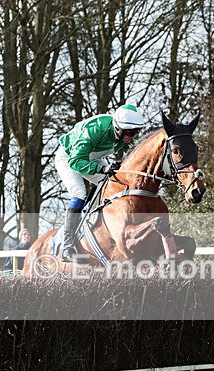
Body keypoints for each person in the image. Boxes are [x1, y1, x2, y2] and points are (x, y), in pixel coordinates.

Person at [55, 103, 146, 262]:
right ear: (117, 128)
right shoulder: (95, 130)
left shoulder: (127, 132)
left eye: (135, 132)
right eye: (129, 132)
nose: (132, 136)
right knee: (79, 193)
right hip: (69, 157)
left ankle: (97, 222)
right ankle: (67, 247)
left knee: (114, 184)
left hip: (92, 157)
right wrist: (102, 169)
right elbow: (76, 162)